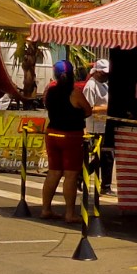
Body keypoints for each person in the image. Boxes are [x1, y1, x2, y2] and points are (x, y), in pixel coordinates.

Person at [41, 60, 91, 222]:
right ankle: (69, 213)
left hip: (52, 133)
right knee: (70, 174)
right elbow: (88, 110)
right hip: (71, 135)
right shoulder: (74, 92)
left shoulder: (50, 91)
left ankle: (46, 209)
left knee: (54, 171)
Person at [83, 58, 112, 193]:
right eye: (104, 73)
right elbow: (88, 108)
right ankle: (82, 175)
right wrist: (107, 108)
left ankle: (106, 185)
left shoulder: (105, 85)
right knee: (101, 157)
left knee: (107, 156)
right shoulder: (91, 86)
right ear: (98, 72)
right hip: (95, 127)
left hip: (105, 125)